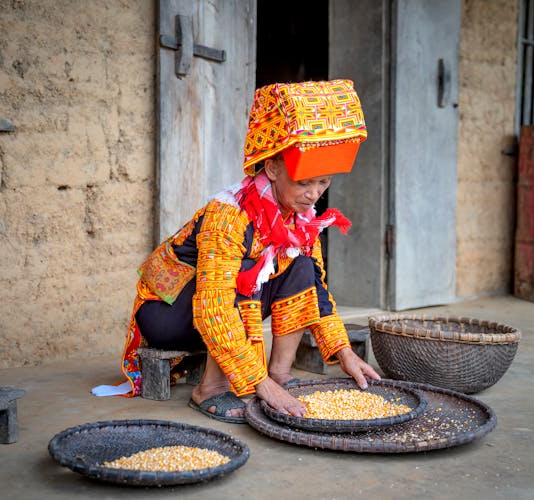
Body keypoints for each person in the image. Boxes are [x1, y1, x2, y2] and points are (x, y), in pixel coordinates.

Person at [119, 79, 380, 423]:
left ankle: (280, 375)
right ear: (272, 169)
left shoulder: (300, 218)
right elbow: (214, 304)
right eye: (304, 182)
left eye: (324, 182)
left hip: (214, 304)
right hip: (169, 313)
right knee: (246, 273)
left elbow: (316, 289)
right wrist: (256, 384)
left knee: (302, 268)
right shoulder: (227, 215)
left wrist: (343, 351)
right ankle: (209, 390)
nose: (315, 194)